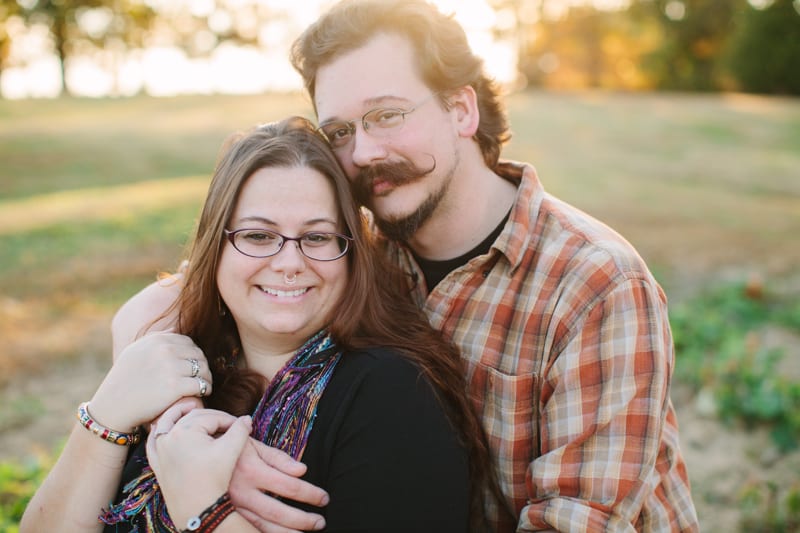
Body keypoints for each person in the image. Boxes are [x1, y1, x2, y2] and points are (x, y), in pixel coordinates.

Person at [110, 0, 701, 531]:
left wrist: (209, 506)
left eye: (388, 115)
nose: (363, 153)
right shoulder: (353, 244)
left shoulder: (596, 285)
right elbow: (165, 301)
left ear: (462, 110)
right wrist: (193, 430)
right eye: (339, 129)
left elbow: (578, 524)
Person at [21, 117, 499, 533]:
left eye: (316, 236)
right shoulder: (176, 366)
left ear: (351, 253)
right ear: (215, 247)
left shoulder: (392, 393)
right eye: (257, 235)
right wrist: (106, 414)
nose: (289, 261)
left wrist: (204, 509)